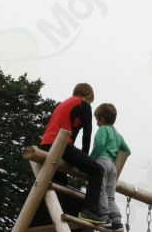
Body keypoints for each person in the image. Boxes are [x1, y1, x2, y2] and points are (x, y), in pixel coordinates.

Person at [40, 82, 106, 224]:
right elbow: (87, 133)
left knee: (61, 186)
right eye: (90, 100)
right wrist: (85, 159)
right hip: (61, 145)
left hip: (46, 145)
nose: (90, 103)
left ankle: (51, 218)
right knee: (97, 170)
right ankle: (88, 211)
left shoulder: (64, 104)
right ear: (88, 96)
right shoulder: (83, 105)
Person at [89, 102, 131, 231]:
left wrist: (90, 160)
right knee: (110, 195)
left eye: (96, 119)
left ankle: (104, 216)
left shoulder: (103, 129)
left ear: (101, 118)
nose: (96, 122)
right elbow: (127, 150)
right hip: (113, 167)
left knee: (100, 190)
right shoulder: (118, 135)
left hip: (101, 161)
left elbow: (100, 145)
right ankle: (117, 220)